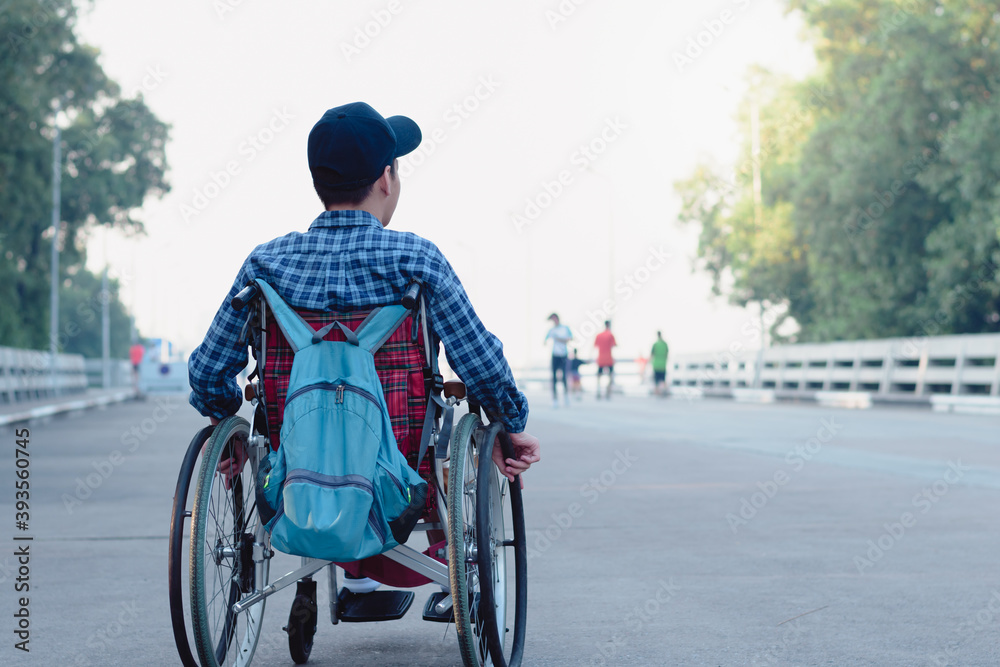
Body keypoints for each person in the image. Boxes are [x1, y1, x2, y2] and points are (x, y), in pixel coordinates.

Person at [187, 102, 541, 589]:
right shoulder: (416, 259)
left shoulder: (266, 264)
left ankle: (354, 574)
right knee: (435, 432)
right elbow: (479, 360)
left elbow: (207, 370)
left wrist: (224, 424)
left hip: (291, 473)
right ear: (386, 179)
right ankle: (416, 569)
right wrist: (509, 425)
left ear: (319, 185)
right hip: (400, 471)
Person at [544, 313, 572, 407]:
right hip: (555, 355)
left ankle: (566, 396)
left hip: (563, 354)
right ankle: (555, 399)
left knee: (564, 377)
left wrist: (559, 339)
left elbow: (570, 338)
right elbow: (546, 339)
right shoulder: (552, 330)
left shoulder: (565, 328)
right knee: (554, 378)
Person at [594, 320, 617, 399]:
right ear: (609, 325)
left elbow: (595, 346)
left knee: (599, 376)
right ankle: (608, 392)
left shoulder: (599, 335)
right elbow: (614, 345)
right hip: (609, 359)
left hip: (600, 359)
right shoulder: (610, 335)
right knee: (610, 376)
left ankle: (598, 392)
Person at [651, 330, 670, 397]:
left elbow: (652, 355)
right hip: (663, 365)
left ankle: (657, 393)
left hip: (656, 364)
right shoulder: (665, 344)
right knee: (663, 380)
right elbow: (667, 354)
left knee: (656, 381)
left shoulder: (655, 344)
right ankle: (665, 391)